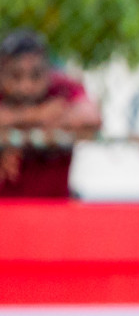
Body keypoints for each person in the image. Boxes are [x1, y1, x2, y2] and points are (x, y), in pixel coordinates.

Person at [0, 30, 101, 199]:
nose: (26, 86)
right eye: (15, 76)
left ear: (48, 72)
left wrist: (13, 124)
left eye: (36, 75)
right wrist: (37, 116)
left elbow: (91, 117)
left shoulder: (62, 87)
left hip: (54, 206)